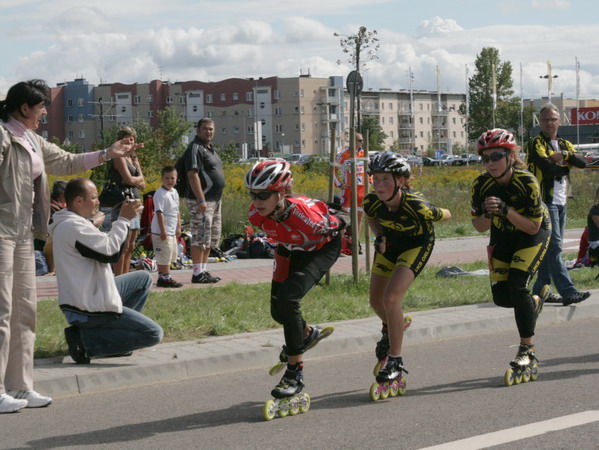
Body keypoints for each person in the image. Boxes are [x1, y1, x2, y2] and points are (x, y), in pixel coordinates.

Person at [0, 79, 140, 413]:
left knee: (24, 311)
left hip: (23, 234)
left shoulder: (31, 139)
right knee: (3, 312)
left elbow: (66, 162)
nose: (45, 112)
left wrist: (109, 153)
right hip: (2, 231)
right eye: (41, 107)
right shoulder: (4, 136)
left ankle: (20, 387)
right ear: (24, 108)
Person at [245, 160, 346, 399]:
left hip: (321, 249)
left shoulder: (304, 216)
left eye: (263, 195)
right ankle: (307, 333)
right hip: (289, 249)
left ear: (280, 193)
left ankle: (294, 374)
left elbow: (341, 221)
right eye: (253, 195)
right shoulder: (255, 215)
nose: (256, 201)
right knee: (278, 312)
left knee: (289, 300)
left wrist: (341, 217)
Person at [50, 178, 163, 364]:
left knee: (142, 279)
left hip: (89, 294)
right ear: (79, 201)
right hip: (86, 307)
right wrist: (124, 220)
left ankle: (117, 338)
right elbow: (110, 253)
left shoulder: (73, 222)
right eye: (94, 198)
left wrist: (93, 222)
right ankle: (85, 343)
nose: (98, 202)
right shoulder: (73, 226)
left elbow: (101, 246)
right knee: (153, 334)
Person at [364, 151, 451, 383]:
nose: (379, 185)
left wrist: (439, 213)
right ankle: (393, 326)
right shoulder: (372, 200)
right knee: (375, 301)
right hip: (390, 244)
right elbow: (370, 216)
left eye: (386, 179)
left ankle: (395, 360)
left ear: (400, 181)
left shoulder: (416, 204)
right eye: (376, 179)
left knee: (391, 299)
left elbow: (447, 214)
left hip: (416, 245)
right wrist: (380, 234)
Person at [471, 129, 551, 374]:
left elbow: (532, 226)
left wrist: (505, 210)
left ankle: (527, 350)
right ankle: (534, 303)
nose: (491, 163)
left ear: (511, 156)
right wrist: (486, 213)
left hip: (532, 233)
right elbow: (478, 226)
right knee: (503, 298)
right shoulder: (481, 184)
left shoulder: (527, 181)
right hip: (503, 235)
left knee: (518, 285)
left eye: (496, 156)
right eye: (485, 158)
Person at [527, 103, 590, 306]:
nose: (549, 123)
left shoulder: (564, 144)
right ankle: (568, 291)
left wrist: (565, 157)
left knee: (549, 248)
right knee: (555, 247)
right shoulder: (536, 143)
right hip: (545, 201)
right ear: (540, 122)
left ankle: (541, 290)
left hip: (561, 201)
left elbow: (583, 162)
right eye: (545, 120)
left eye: (553, 119)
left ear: (559, 121)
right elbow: (546, 167)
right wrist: (565, 168)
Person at [182, 118, 225, 284]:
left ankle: (203, 270)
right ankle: (196, 273)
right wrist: (200, 199)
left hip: (215, 200)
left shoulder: (210, 149)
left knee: (210, 238)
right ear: (198, 130)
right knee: (200, 237)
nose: (209, 132)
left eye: (211, 129)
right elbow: (192, 174)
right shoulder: (195, 148)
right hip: (201, 200)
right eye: (205, 129)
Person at [110, 126, 145, 276]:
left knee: (131, 245)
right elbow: (128, 179)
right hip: (123, 202)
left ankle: (126, 274)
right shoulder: (119, 157)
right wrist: (137, 180)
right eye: (127, 138)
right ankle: (118, 277)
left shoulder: (133, 158)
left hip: (136, 202)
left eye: (132, 138)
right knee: (122, 245)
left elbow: (143, 184)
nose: (130, 141)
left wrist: (136, 180)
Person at [151, 166, 183, 288]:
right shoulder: (160, 194)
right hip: (161, 230)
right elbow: (159, 213)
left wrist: (178, 227)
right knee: (163, 254)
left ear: (176, 179)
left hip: (171, 229)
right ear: (162, 178)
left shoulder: (174, 192)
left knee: (170, 253)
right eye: (167, 178)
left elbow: (177, 211)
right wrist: (163, 231)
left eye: (172, 178)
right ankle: (165, 278)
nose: (169, 181)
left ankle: (163, 276)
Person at [334, 132, 367, 247]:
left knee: (359, 218)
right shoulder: (344, 154)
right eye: (359, 140)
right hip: (348, 189)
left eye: (362, 140)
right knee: (344, 216)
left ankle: (355, 243)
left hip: (362, 190)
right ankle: (341, 245)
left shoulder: (364, 153)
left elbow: (370, 169)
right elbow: (332, 169)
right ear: (353, 141)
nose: (362, 143)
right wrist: (339, 184)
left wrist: (370, 181)